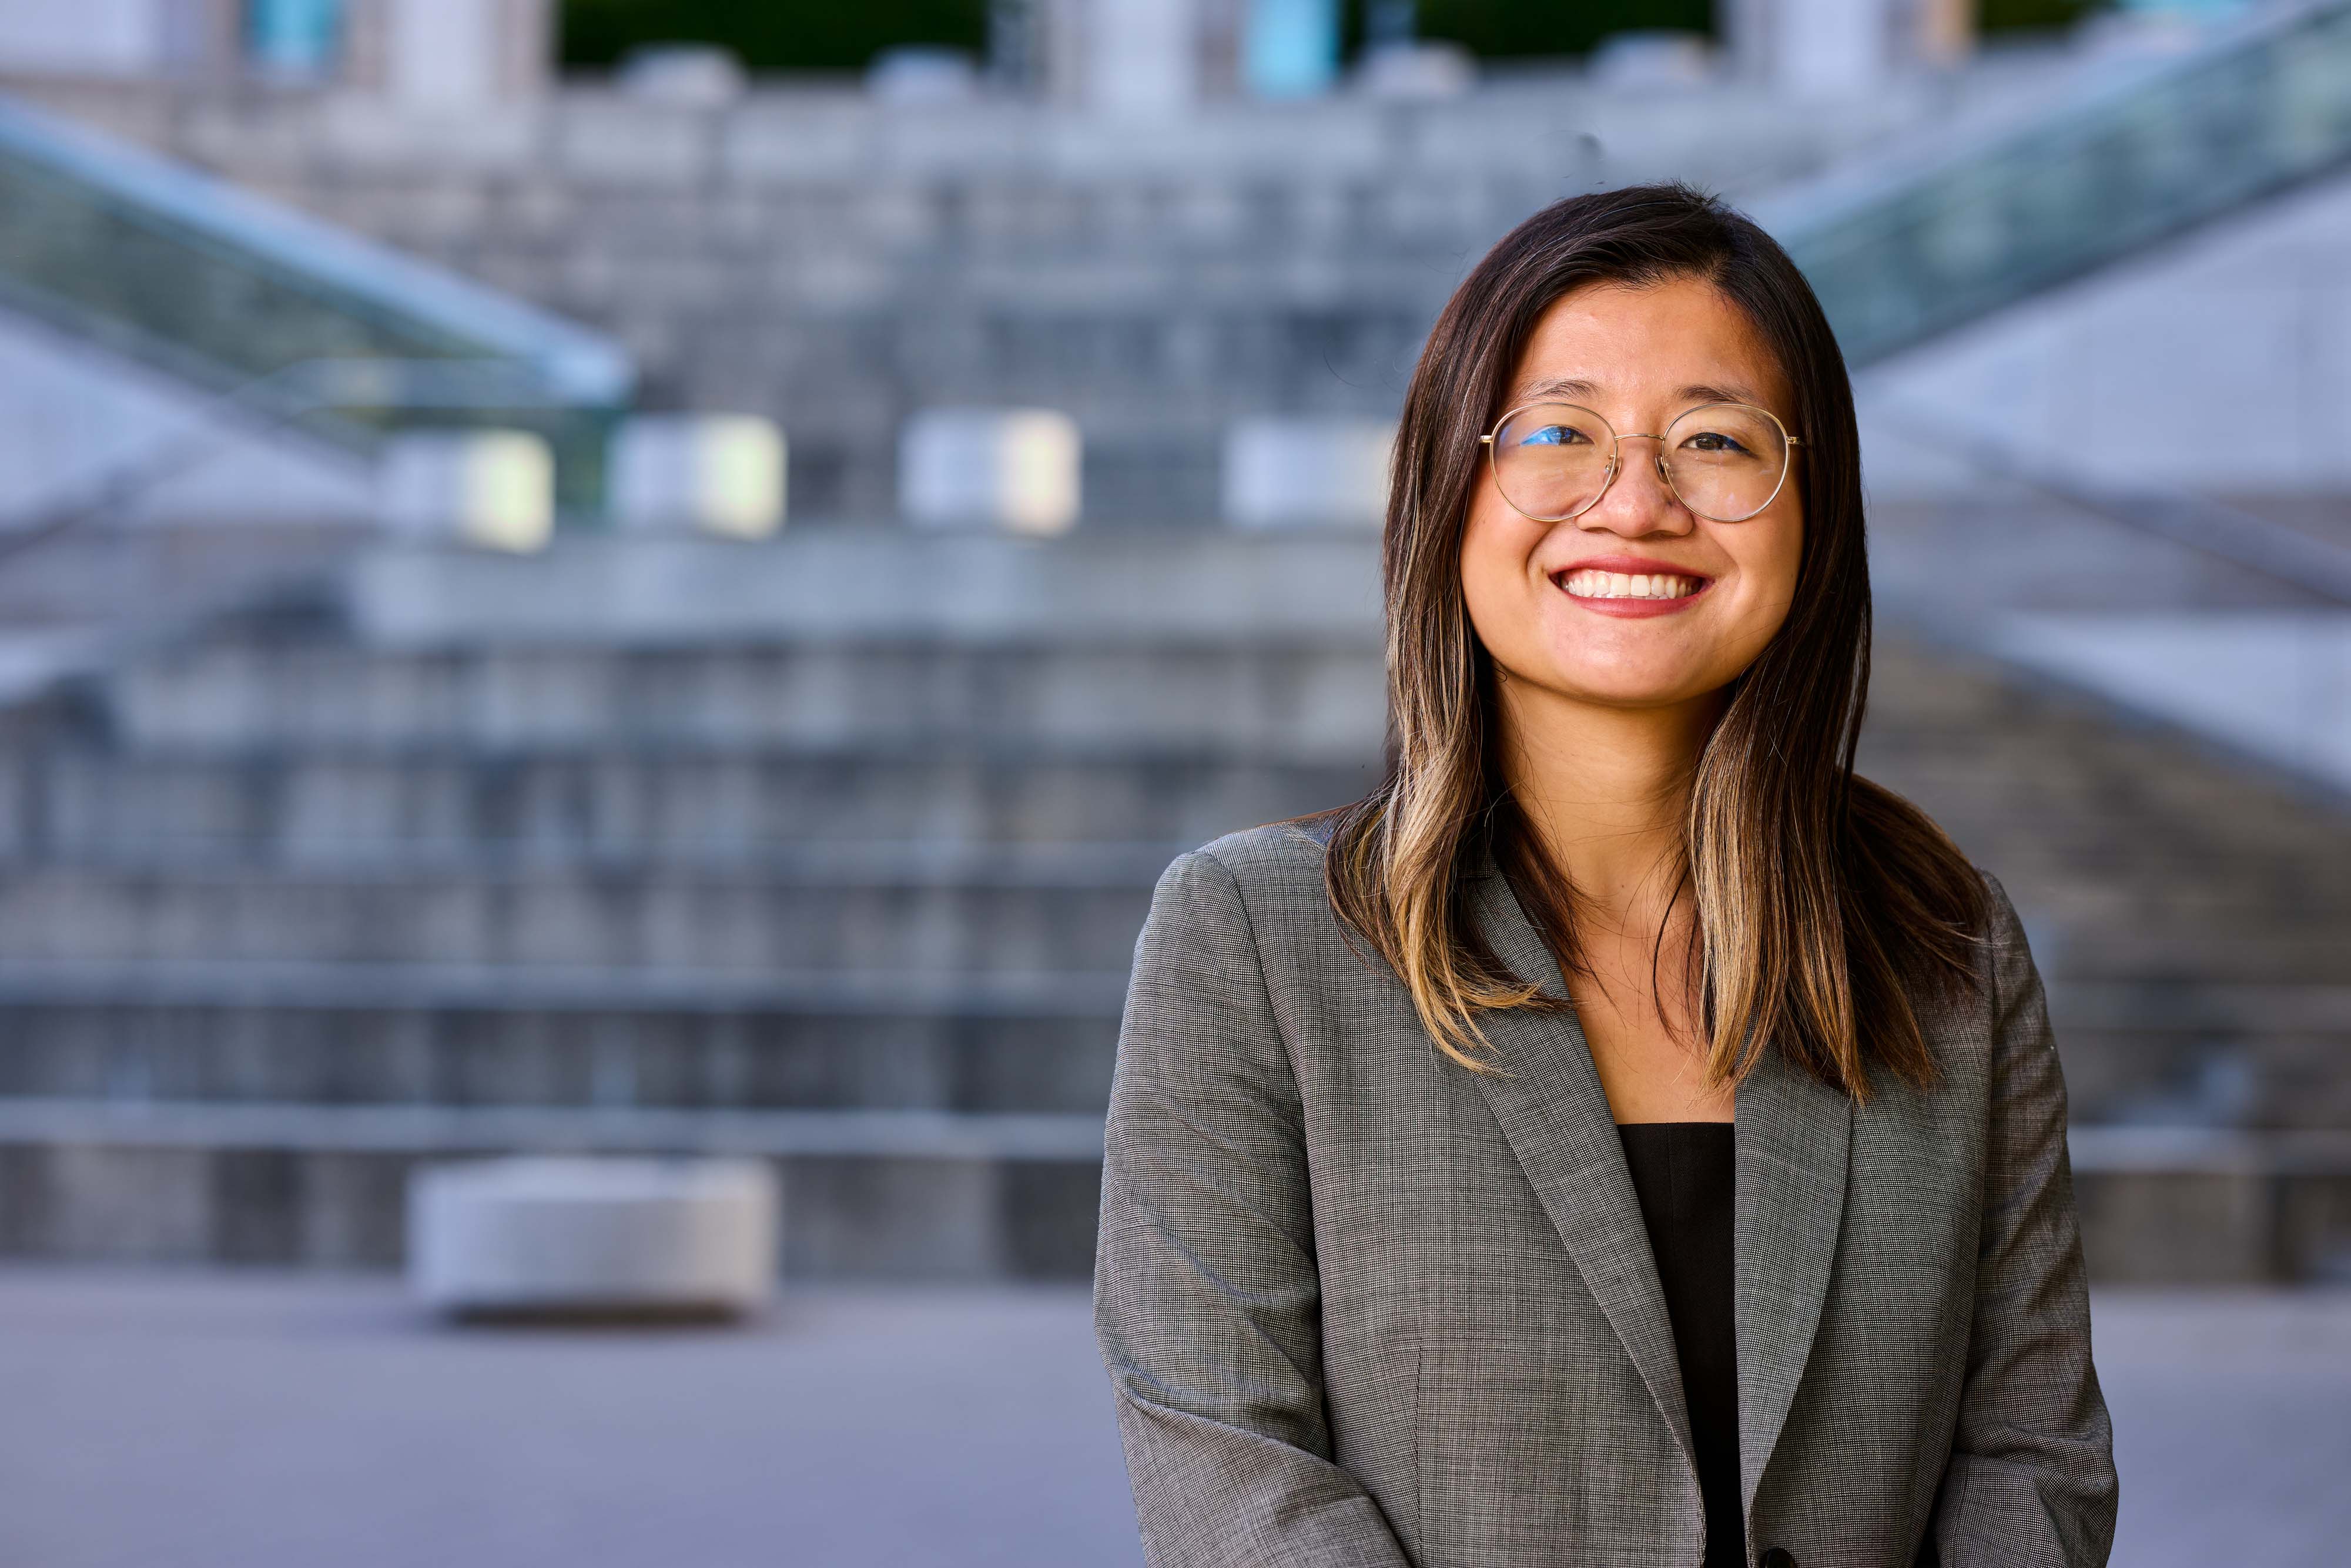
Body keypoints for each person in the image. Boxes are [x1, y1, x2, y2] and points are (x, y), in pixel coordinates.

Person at [1091, 183, 2118, 1567]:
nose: (1633, 503)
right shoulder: (1252, 941)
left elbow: (2031, 1454)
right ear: (1447, 491)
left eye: (1712, 439)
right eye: (1560, 434)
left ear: (1810, 510)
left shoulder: (1944, 945)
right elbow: (1226, 1459)